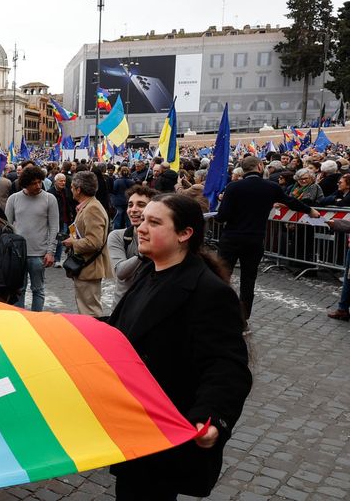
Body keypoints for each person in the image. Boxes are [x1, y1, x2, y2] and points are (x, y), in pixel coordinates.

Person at [108, 194, 252, 500]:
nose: (141, 228)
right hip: (134, 422)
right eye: (143, 219)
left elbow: (227, 366)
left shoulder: (208, 291)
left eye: (154, 222)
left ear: (184, 234)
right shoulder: (149, 270)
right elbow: (122, 327)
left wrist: (211, 417)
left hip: (167, 430)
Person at [216, 156, 319, 320]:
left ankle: (219, 313)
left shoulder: (233, 187)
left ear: (243, 169)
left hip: (232, 238)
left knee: (222, 276)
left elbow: (222, 216)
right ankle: (243, 317)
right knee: (248, 280)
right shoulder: (271, 187)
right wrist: (309, 211)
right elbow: (291, 202)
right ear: (259, 166)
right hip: (255, 239)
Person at [4, 166, 58, 312]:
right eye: (34, 183)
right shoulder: (13, 199)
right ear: (25, 183)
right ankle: (20, 320)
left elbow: (54, 227)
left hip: (39, 254)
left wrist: (51, 251)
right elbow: (7, 227)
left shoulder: (49, 199)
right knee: (18, 290)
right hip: (18, 254)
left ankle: (37, 319)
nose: (38, 186)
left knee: (38, 290)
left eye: (40, 182)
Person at [61, 170, 113, 317]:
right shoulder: (88, 206)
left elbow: (94, 242)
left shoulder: (93, 208)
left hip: (90, 267)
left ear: (79, 189)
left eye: (72, 187)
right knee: (86, 307)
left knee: (90, 311)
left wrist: (73, 243)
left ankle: (94, 338)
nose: (70, 189)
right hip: (86, 267)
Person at [107, 185, 157, 301]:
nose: (133, 209)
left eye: (141, 205)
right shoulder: (117, 236)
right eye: (130, 205)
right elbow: (120, 272)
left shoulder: (162, 239)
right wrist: (141, 254)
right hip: (122, 307)